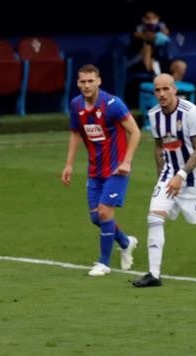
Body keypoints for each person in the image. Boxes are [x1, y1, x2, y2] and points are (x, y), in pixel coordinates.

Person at [132, 74, 196, 287]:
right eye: (157, 90)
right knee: (154, 216)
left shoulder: (191, 113)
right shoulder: (153, 115)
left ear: (174, 89)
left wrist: (181, 176)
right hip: (169, 175)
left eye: (165, 89)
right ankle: (154, 274)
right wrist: (161, 178)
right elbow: (159, 146)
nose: (161, 94)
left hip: (195, 176)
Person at [62, 64, 141, 277]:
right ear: (78, 83)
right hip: (94, 170)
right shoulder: (76, 105)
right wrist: (69, 164)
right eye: (82, 82)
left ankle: (103, 263)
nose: (86, 86)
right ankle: (125, 242)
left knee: (105, 212)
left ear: (99, 81)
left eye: (90, 81)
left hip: (117, 170)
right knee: (96, 218)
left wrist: (127, 161)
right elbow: (76, 134)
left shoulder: (113, 104)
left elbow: (134, 132)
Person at [128, 10, 187, 82]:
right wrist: (151, 36)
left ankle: (170, 89)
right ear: (143, 19)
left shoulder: (162, 27)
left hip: (162, 60)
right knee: (147, 48)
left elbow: (165, 34)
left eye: (153, 18)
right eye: (148, 18)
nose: (151, 21)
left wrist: (161, 33)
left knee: (181, 66)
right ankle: (158, 85)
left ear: (158, 18)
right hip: (143, 63)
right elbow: (142, 36)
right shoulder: (138, 29)